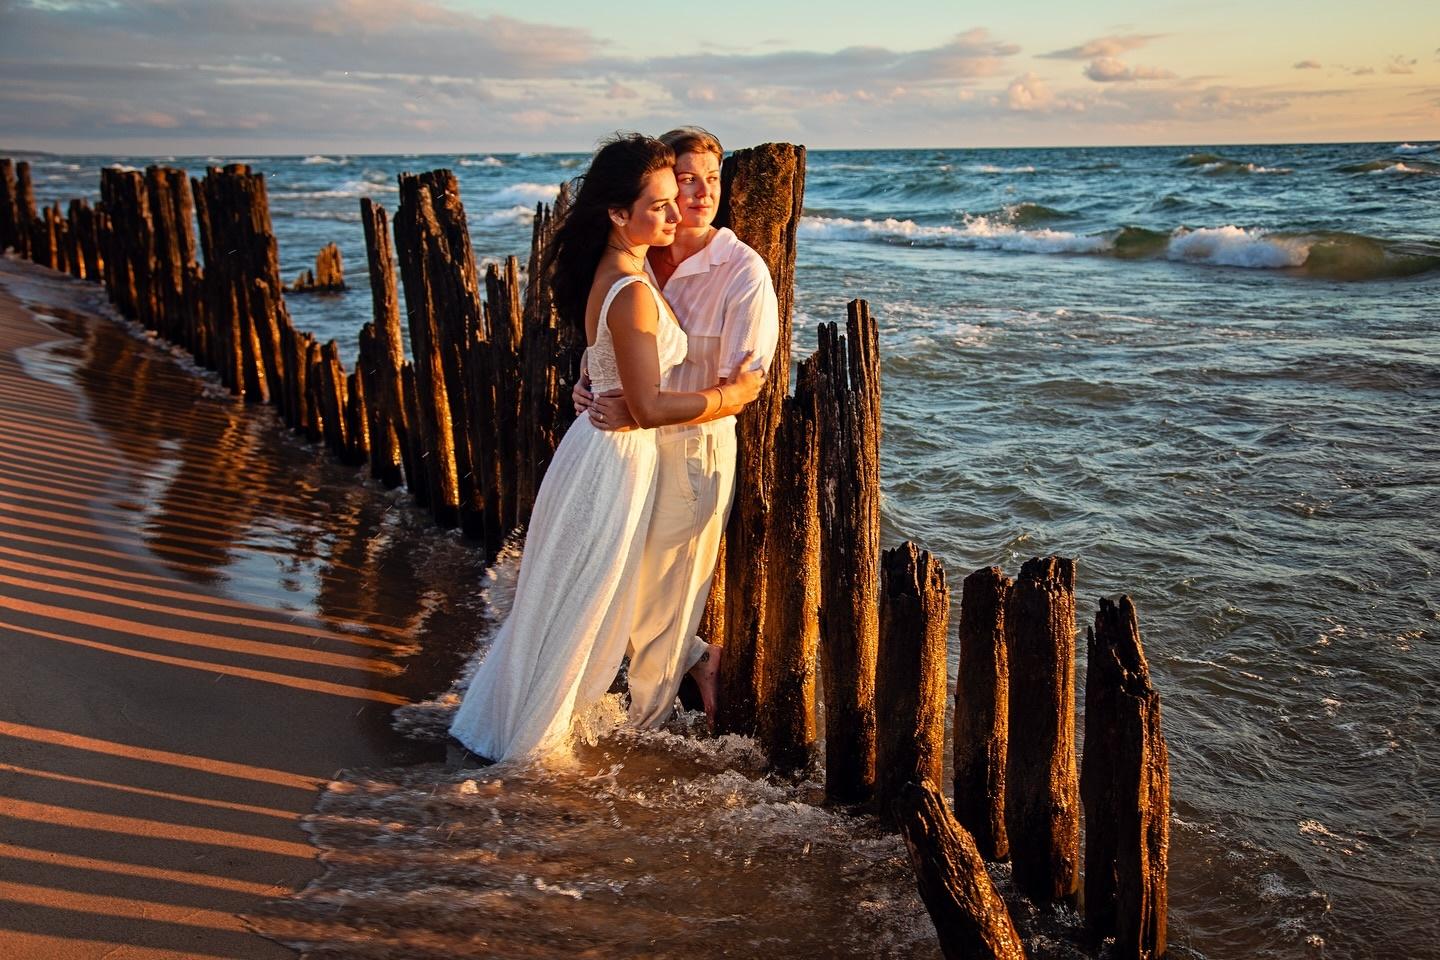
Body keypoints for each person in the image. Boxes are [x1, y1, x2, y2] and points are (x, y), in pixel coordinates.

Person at [448, 134, 765, 763]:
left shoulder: (625, 269)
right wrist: (731, 395)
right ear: (619, 213)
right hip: (616, 458)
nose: (677, 212)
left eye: (685, 193)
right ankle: (544, 745)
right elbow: (646, 405)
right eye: (662, 202)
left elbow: (613, 354)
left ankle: (530, 721)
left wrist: (597, 379)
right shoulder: (635, 284)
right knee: (586, 598)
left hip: (606, 453)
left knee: (577, 593)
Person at [575, 127, 780, 729]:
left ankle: (643, 739)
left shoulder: (742, 272)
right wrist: (589, 383)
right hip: (628, 451)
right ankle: (694, 656)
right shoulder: (638, 254)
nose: (703, 193)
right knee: (619, 583)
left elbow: (745, 387)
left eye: (713, 179)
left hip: (693, 450)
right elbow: (612, 344)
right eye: (687, 180)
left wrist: (648, 406)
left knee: (665, 598)